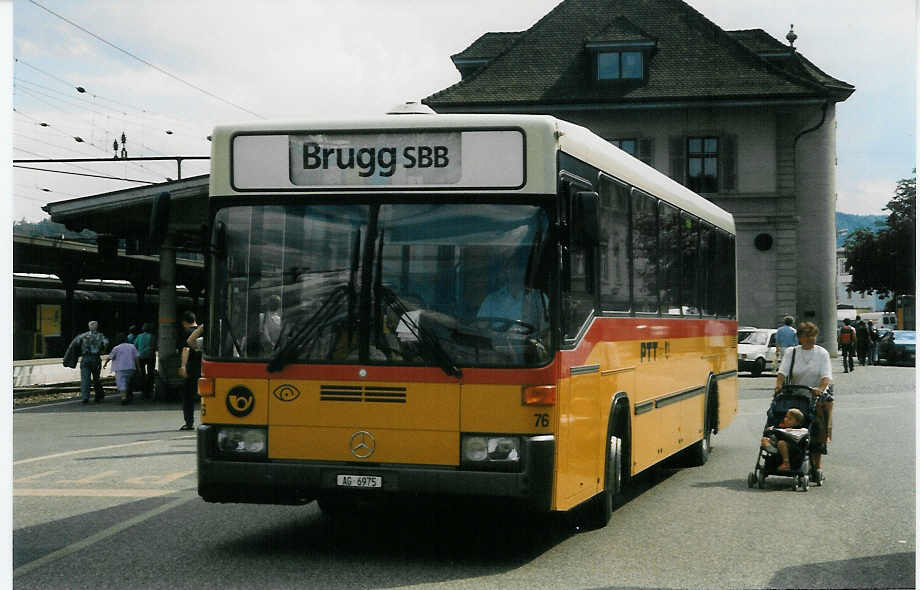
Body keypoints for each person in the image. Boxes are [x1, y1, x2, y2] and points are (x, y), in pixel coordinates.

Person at [775, 321, 833, 480]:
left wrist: (820, 389)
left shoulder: (822, 353)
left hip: (816, 395)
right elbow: (782, 373)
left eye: (813, 335)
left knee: (817, 429)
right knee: (789, 423)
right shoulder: (791, 352)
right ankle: (787, 457)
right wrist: (778, 385)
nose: (811, 339)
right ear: (800, 337)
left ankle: (817, 466)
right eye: (807, 336)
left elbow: (826, 377)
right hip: (796, 394)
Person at [477, 255, 548, 331]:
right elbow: (481, 327)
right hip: (498, 341)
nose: (515, 271)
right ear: (506, 271)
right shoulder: (491, 299)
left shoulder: (538, 298)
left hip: (527, 342)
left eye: (519, 267)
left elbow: (545, 331)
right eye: (512, 267)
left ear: (525, 270)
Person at [64, 320, 110, 404]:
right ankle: (98, 395)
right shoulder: (101, 336)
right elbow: (106, 343)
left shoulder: (82, 336)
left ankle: (85, 397)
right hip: (95, 358)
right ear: (97, 327)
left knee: (85, 379)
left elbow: (73, 345)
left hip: (85, 358)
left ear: (89, 327)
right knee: (96, 378)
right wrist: (103, 350)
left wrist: (69, 357)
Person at [177, 311, 201, 431]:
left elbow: (186, 349)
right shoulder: (202, 331)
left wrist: (183, 366)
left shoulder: (186, 332)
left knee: (188, 396)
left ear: (184, 322)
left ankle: (189, 422)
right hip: (205, 366)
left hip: (192, 367)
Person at [104, 333, 140, 405]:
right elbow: (136, 358)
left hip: (120, 368)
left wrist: (105, 363)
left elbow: (110, 357)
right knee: (128, 382)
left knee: (122, 383)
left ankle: (124, 398)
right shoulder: (132, 346)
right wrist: (138, 368)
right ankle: (129, 395)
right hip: (131, 367)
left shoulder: (116, 348)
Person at [134, 322, 157, 399]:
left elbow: (135, 345)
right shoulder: (152, 336)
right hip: (150, 356)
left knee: (142, 373)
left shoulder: (139, 336)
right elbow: (154, 346)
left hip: (141, 356)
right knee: (150, 372)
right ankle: (149, 389)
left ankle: (143, 389)